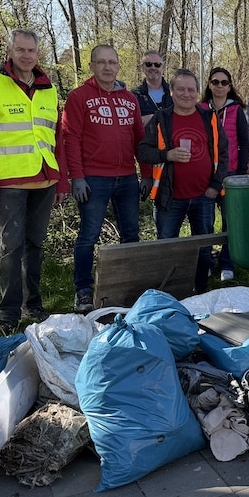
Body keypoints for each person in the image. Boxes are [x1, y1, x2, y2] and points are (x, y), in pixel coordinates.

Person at [0, 29, 68, 336]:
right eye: (20, 50)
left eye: (31, 50)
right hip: (9, 182)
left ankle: (34, 305)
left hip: (45, 180)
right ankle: (9, 314)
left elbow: (58, 139)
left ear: (38, 53)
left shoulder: (49, 89)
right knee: (10, 248)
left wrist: (61, 181)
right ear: (10, 51)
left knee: (35, 245)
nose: (26, 55)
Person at [62, 45, 149, 313]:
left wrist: (146, 173)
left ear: (118, 66)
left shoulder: (130, 99)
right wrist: (77, 177)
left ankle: (128, 287)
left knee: (131, 234)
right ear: (92, 66)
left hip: (127, 178)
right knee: (89, 235)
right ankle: (83, 290)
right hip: (94, 178)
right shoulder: (79, 97)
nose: (107, 67)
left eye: (112, 62)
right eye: (101, 62)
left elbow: (139, 138)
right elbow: (71, 138)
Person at [137, 68, 229, 294]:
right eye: (180, 89)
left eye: (191, 89)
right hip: (170, 197)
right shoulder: (161, 119)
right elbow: (143, 150)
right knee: (168, 247)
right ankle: (170, 293)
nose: (186, 94)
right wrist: (167, 155)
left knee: (204, 248)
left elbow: (224, 153)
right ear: (171, 91)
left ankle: (201, 290)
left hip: (204, 196)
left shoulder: (209, 118)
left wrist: (215, 185)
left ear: (197, 92)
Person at [200, 67, 249, 281]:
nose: (219, 86)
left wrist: (241, 171)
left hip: (231, 174)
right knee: (205, 222)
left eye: (224, 82)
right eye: (215, 82)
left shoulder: (236, 110)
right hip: (205, 175)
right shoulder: (201, 108)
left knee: (230, 222)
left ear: (229, 87)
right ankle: (207, 262)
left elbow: (244, 143)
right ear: (209, 85)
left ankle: (227, 263)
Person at [132, 50, 172, 124]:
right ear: (142, 67)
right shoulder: (134, 96)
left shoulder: (174, 93)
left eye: (157, 65)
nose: (153, 67)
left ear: (162, 68)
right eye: (148, 64)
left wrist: (153, 117)